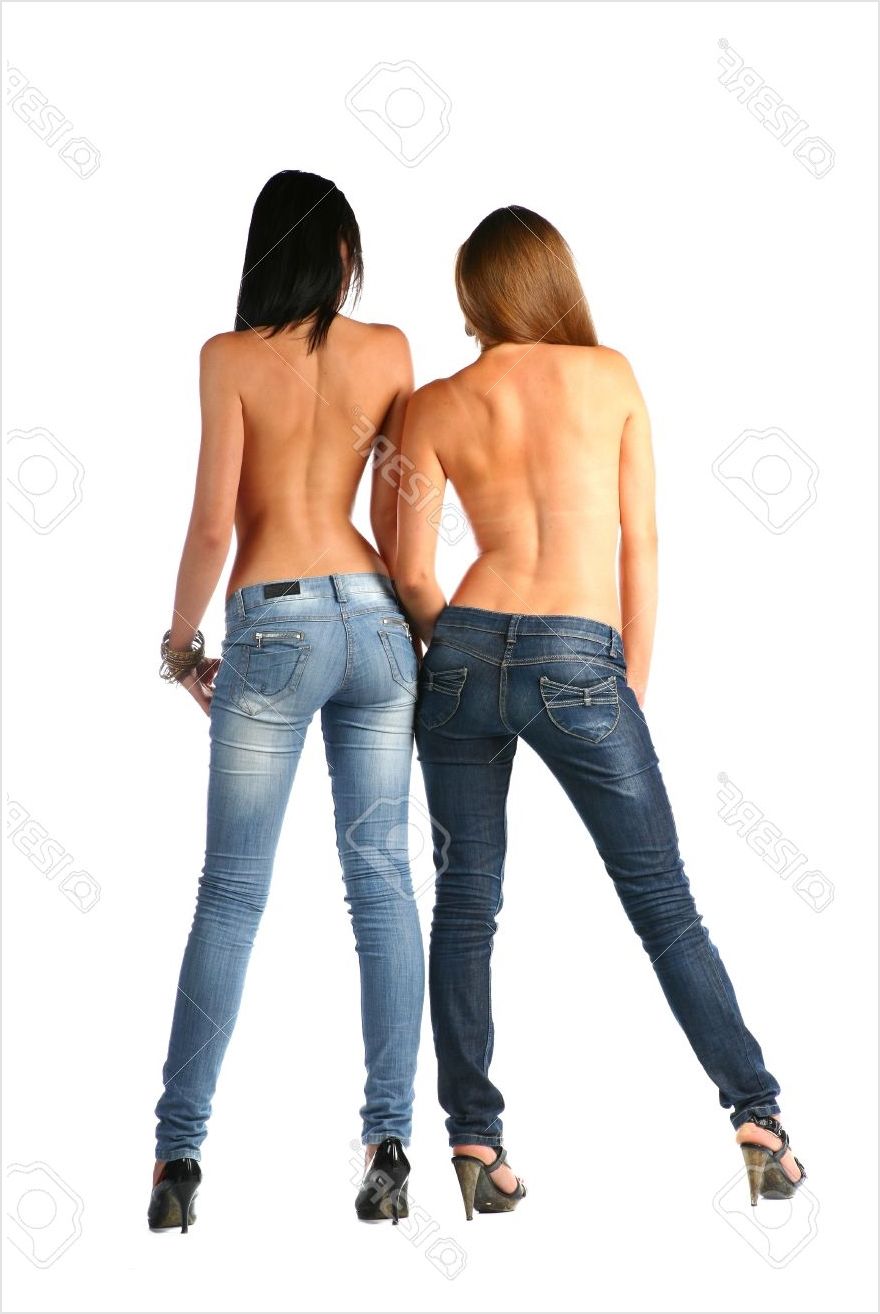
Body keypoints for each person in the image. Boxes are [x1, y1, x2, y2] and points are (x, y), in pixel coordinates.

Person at [394, 205, 807, 1221]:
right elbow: (641, 541)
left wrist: (468, 651)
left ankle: (474, 1140)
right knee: (662, 902)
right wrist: (627, 678)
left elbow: (411, 575)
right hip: (582, 653)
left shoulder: (437, 403)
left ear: (475, 295)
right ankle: (756, 1119)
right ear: (553, 281)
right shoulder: (609, 376)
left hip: (464, 651)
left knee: (465, 904)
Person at [149, 170, 421, 1232]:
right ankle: (388, 1144)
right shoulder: (389, 351)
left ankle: (178, 1160)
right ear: (341, 254)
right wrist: (416, 627)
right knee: (382, 882)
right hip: (377, 619)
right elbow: (400, 513)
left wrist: (180, 648)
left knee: (230, 894)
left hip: (273, 622)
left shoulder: (227, 358)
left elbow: (214, 526)